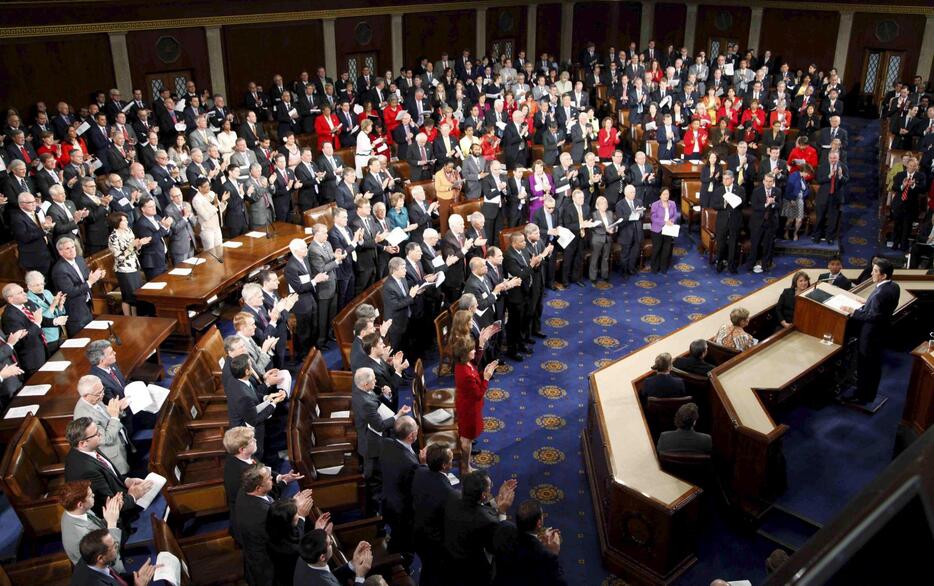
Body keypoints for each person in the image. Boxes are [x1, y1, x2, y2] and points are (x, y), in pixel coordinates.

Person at [232, 463, 313, 586]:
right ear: (258, 487)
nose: (272, 478)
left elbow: (268, 496)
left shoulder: (245, 491)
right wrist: (300, 515)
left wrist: (284, 482)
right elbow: (291, 541)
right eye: (268, 477)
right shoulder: (265, 515)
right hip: (270, 568)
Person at [63, 417, 151, 527]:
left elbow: (109, 472)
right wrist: (133, 496)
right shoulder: (86, 471)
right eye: (96, 434)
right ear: (83, 443)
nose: (100, 434)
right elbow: (108, 505)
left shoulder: (87, 448)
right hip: (121, 518)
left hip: (122, 492)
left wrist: (127, 481)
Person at [840, 259, 900, 405]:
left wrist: (853, 311)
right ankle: (869, 395)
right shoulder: (894, 286)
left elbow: (873, 316)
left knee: (865, 366)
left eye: (875, 271)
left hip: (870, 335)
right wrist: (866, 304)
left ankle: (861, 396)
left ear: (883, 276)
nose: (871, 273)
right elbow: (879, 310)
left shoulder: (880, 294)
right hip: (881, 333)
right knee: (874, 367)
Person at [352, 367, 410, 515]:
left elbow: (375, 398)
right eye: (373, 380)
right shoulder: (366, 403)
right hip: (372, 446)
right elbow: (380, 425)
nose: (376, 381)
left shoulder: (360, 390)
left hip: (368, 434)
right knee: (375, 481)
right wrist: (398, 416)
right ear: (365, 385)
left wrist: (383, 393)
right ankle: (376, 515)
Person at [444, 470, 517, 586]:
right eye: (490, 488)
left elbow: (476, 509)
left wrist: (496, 500)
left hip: (446, 559)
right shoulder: (488, 521)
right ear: (483, 495)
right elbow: (498, 545)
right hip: (471, 570)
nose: (491, 489)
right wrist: (502, 511)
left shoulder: (453, 496)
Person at [411, 443, 458, 586]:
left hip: (417, 533)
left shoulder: (420, 471)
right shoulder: (448, 493)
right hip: (435, 541)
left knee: (428, 569)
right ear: (444, 466)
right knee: (437, 572)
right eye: (451, 460)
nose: (453, 462)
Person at [492, 499, 567, 586]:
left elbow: (504, 526)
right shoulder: (545, 557)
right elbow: (560, 583)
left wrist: (538, 542)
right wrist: (554, 553)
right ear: (539, 523)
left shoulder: (505, 529)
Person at [225, 354, 286, 461]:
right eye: (250, 365)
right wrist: (274, 403)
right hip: (246, 430)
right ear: (247, 372)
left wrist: (267, 397)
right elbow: (255, 420)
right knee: (257, 453)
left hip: (249, 412)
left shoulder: (237, 380)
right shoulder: (243, 396)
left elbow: (253, 393)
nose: (253, 366)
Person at [379, 416, 423, 561]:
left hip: (387, 501)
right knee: (404, 542)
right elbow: (416, 489)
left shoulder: (386, 443)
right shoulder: (410, 464)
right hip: (403, 512)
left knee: (396, 536)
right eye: (416, 429)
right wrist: (423, 466)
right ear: (411, 436)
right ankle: (402, 564)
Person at [60, 480, 126, 574]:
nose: (94, 495)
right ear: (80, 504)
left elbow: (97, 526)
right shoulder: (81, 537)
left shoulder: (73, 511)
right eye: (90, 495)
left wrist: (112, 512)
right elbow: (108, 560)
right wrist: (112, 523)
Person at [454, 339, 499, 473]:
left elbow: (474, 379)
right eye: (472, 350)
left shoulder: (464, 364)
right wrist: (486, 378)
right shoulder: (465, 372)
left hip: (467, 404)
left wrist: (482, 374)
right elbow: (478, 394)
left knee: (466, 436)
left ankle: (465, 463)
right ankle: (465, 467)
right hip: (469, 409)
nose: (474, 351)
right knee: (466, 439)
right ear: (465, 354)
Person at [73, 374, 130, 475]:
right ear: (85, 395)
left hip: (120, 444)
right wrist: (115, 416)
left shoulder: (94, 398)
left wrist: (118, 408)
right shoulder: (85, 417)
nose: (102, 395)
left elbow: (108, 415)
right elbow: (106, 439)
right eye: (98, 393)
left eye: (102, 390)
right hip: (113, 455)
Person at [70, 529, 156, 586]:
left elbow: (115, 579)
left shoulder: (89, 558)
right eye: (114, 546)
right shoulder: (96, 584)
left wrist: (135, 576)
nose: (117, 548)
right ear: (100, 558)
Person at [293, 528, 373, 585]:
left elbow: (329, 575)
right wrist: (360, 577)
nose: (332, 541)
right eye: (330, 544)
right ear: (322, 557)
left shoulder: (304, 558)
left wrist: (353, 564)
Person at [712, 170, 746, 274]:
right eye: (723, 179)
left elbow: (743, 204)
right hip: (722, 221)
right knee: (721, 243)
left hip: (735, 221)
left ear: (732, 179)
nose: (725, 181)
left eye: (727, 179)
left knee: (733, 244)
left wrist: (735, 202)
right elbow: (714, 205)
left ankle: (731, 265)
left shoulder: (740, 189)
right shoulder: (719, 190)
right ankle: (719, 263)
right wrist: (723, 204)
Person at [24, 270, 67, 353]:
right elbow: (41, 319)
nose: (41, 287)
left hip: (59, 331)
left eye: (42, 284)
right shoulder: (28, 300)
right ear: (29, 286)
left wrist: (60, 305)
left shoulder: (47, 292)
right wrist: (53, 305)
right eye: (37, 285)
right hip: (48, 336)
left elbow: (56, 313)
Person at [812, 150, 848, 245]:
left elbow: (846, 181)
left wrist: (840, 176)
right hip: (823, 196)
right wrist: (829, 176)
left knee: (833, 219)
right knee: (820, 217)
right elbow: (818, 180)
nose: (833, 160)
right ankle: (817, 236)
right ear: (828, 158)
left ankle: (830, 237)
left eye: (834, 158)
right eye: (831, 158)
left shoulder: (843, 167)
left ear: (838, 158)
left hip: (835, 197)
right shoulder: (823, 166)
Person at [748, 173, 780, 273]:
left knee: (768, 245)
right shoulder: (757, 191)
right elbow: (754, 206)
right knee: (755, 245)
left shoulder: (777, 191)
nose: (768, 183)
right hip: (757, 222)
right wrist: (767, 204)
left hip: (770, 223)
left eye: (770, 181)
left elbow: (780, 205)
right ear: (763, 181)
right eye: (766, 181)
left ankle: (765, 265)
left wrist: (774, 203)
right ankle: (751, 265)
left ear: (773, 182)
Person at [649, 187, 679, 274]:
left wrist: (672, 221)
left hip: (669, 230)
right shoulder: (655, 204)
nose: (666, 196)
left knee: (666, 249)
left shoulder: (672, 203)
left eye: (667, 194)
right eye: (664, 194)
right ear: (660, 195)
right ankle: (654, 267)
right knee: (657, 249)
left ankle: (663, 267)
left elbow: (675, 215)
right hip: (657, 230)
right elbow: (653, 218)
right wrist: (664, 222)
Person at [781, 163, 813, 241]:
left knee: (799, 220)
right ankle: (786, 232)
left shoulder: (802, 178)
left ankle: (795, 233)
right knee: (790, 219)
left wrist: (804, 194)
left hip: (800, 200)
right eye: (808, 173)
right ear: (804, 171)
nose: (808, 175)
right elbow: (788, 189)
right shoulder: (793, 176)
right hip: (791, 199)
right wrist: (791, 200)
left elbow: (805, 190)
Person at [589, 196, 616, 283]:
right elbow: (593, 227)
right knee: (595, 258)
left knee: (605, 258)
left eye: (605, 203)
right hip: (597, 238)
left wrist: (613, 229)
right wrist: (606, 229)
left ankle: (605, 275)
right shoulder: (594, 214)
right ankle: (593, 277)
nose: (604, 205)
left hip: (608, 238)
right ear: (597, 205)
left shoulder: (610, 213)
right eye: (602, 203)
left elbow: (614, 224)